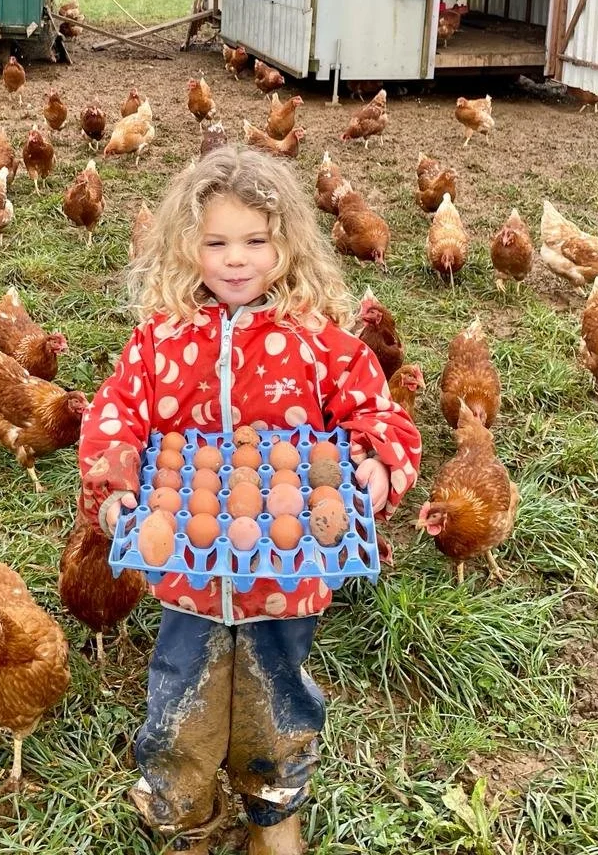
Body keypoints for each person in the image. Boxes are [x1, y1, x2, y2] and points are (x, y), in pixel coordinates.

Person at [77, 146, 422, 855]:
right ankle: (185, 813)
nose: (237, 259)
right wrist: (114, 487)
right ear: (186, 246)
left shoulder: (320, 342)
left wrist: (379, 462)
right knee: (180, 699)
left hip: (286, 579)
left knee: (278, 698)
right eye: (217, 242)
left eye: (256, 241)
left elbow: (377, 413)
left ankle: (274, 809)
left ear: (287, 243)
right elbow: (116, 415)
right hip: (187, 575)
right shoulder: (160, 343)